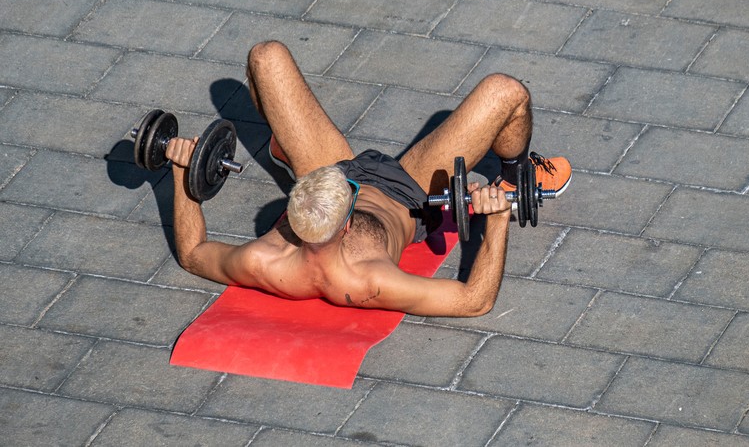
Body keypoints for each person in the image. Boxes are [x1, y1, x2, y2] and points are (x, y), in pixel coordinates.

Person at [165, 40, 571, 317]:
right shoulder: (369, 282)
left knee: (265, 56)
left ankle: (289, 150)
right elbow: (474, 301)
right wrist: (498, 220)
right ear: (343, 225)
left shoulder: (262, 261)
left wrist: (183, 173)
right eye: (351, 196)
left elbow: (193, 253)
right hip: (408, 191)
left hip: (328, 169)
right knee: (507, 92)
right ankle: (518, 175)